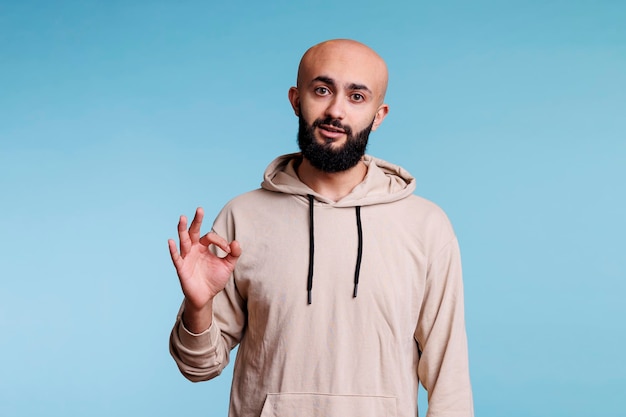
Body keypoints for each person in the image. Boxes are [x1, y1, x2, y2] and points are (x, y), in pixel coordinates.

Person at [168, 39, 474, 417]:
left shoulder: (426, 226)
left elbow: (450, 381)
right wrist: (198, 307)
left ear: (379, 115)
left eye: (357, 96)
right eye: (322, 90)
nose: (336, 111)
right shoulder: (241, 217)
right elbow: (199, 367)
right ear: (297, 99)